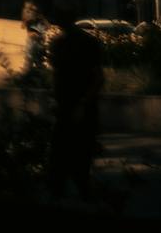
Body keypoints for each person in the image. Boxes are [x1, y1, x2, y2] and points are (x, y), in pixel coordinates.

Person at [48, 11, 104, 198]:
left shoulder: (71, 43)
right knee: (70, 153)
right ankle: (72, 188)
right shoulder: (59, 43)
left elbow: (97, 77)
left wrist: (82, 103)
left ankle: (73, 189)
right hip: (70, 104)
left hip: (76, 104)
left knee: (72, 153)